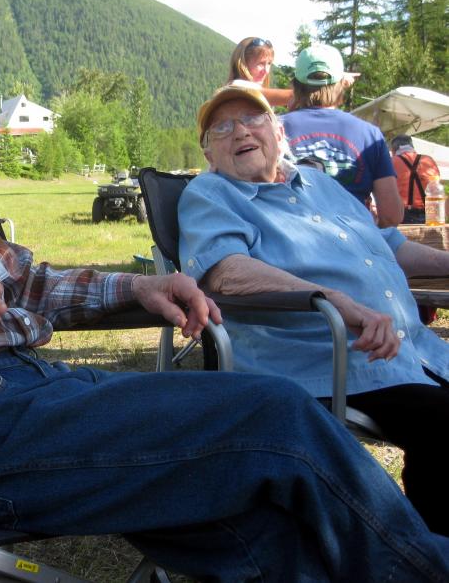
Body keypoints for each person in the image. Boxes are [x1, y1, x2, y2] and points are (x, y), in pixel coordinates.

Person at [0, 3, 449, 580]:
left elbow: (28, 281)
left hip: (36, 389)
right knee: (273, 415)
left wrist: (139, 284)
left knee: (264, 533)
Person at [178, 82, 449, 537]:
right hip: (328, 359)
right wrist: (336, 302)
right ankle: (427, 556)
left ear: (278, 133)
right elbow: (226, 272)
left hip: (411, 350)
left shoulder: (320, 183)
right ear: (209, 154)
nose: (239, 131)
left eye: (252, 119)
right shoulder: (211, 193)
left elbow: (391, 246)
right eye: (221, 128)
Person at [282, 44, 404, 227]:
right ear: (341, 85)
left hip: (290, 243)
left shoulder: (272, 128)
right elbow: (391, 215)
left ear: (296, 86)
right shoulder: (370, 135)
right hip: (354, 244)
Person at [225, 36, 293, 108]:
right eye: (261, 63)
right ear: (243, 64)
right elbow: (291, 97)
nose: (266, 71)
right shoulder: (237, 87)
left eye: (269, 63)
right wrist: (302, 95)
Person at [392, 134, 442, 225]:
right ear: (412, 146)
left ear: (393, 149)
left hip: (402, 215)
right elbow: (437, 187)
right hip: (430, 214)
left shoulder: (391, 162)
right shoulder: (428, 160)